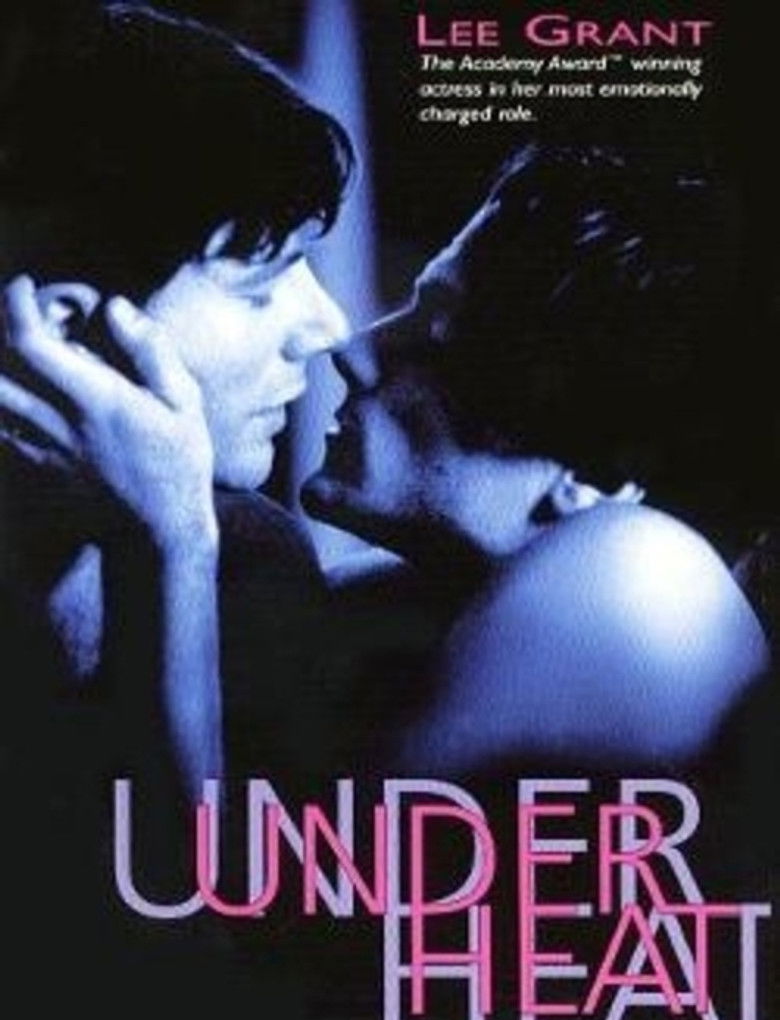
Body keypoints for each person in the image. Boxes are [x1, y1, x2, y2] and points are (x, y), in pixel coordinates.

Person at [0, 2, 350, 1020]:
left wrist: (179, 550)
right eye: (260, 283)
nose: (328, 326)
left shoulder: (251, 561)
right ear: (68, 332)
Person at [303, 144, 771, 778]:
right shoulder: (423, 595)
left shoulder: (643, 571)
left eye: (437, 335)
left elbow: (335, 842)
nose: (351, 352)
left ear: (595, 475)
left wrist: (183, 549)